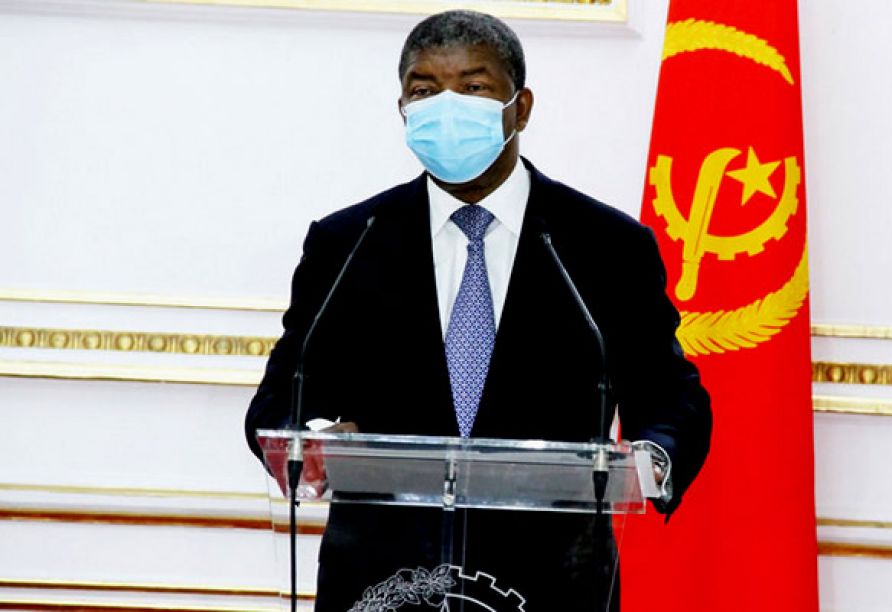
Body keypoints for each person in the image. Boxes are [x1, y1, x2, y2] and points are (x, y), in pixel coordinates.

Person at [245, 10, 711, 612]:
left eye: (473, 87)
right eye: (424, 90)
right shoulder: (350, 242)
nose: (447, 107)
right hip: (381, 583)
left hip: (553, 582)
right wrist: (313, 445)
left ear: (521, 107)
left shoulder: (605, 246)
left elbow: (670, 395)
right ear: (402, 109)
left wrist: (654, 457)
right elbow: (279, 399)